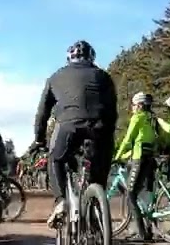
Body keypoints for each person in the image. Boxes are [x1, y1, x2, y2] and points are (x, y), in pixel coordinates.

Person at [31, 40, 119, 227]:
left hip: (68, 127)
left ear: (69, 57)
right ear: (91, 57)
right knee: (98, 174)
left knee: (56, 159)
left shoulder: (55, 77)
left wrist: (39, 139)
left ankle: (61, 200)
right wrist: (108, 134)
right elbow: (112, 110)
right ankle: (96, 205)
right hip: (100, 128)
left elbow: (42, 113)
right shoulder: (103, 76)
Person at [114, 92, 162, 241]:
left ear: (140, 105)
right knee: (145, 194)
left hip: (139, 158)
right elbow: (150, 138)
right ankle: (147, 229)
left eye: (134, 105)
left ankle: (142, 234)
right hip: (150, 158)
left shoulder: (138, 117)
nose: (132, 108)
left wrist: (116, 156)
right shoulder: (153, 118)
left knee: (130, 194)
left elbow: (128, 139)